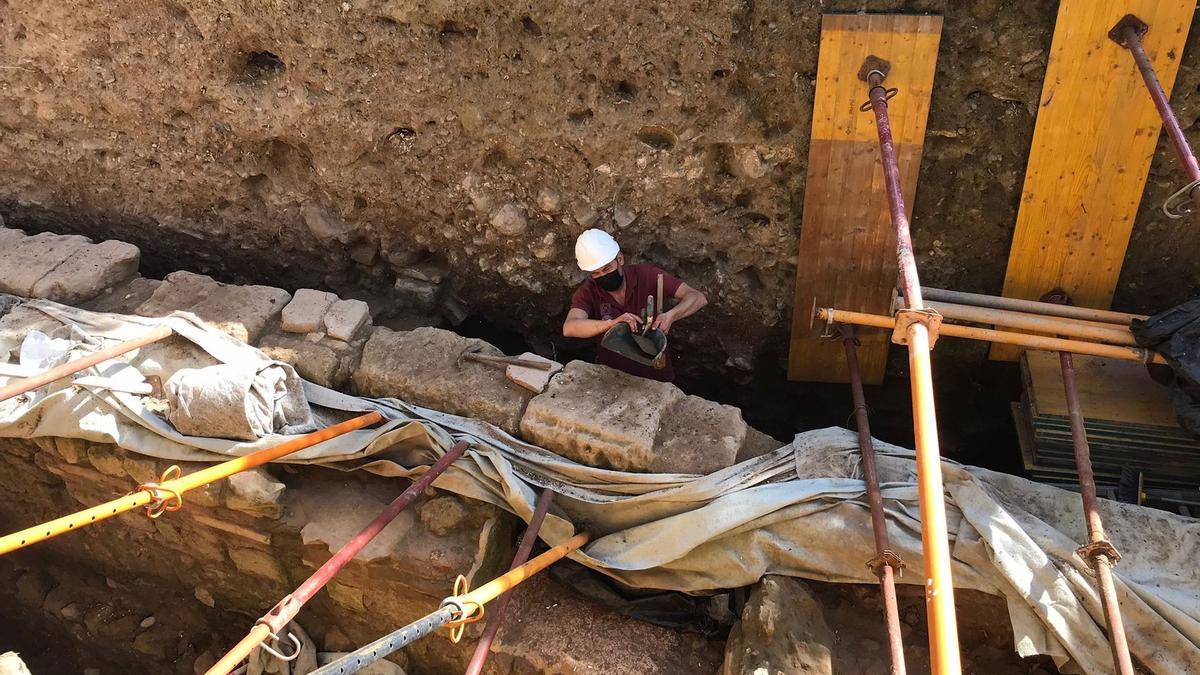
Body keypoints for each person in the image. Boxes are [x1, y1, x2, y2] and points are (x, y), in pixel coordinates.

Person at [563, 229, 706, 382]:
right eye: (596, 273)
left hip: (656, 379)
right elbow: (570, 327)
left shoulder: (647, 275)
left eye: (607, 268)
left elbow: (697, 297)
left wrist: (671, 315)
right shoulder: (589, 291)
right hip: (613, 380)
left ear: (620, 259)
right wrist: (611, 324)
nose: (603, 276)